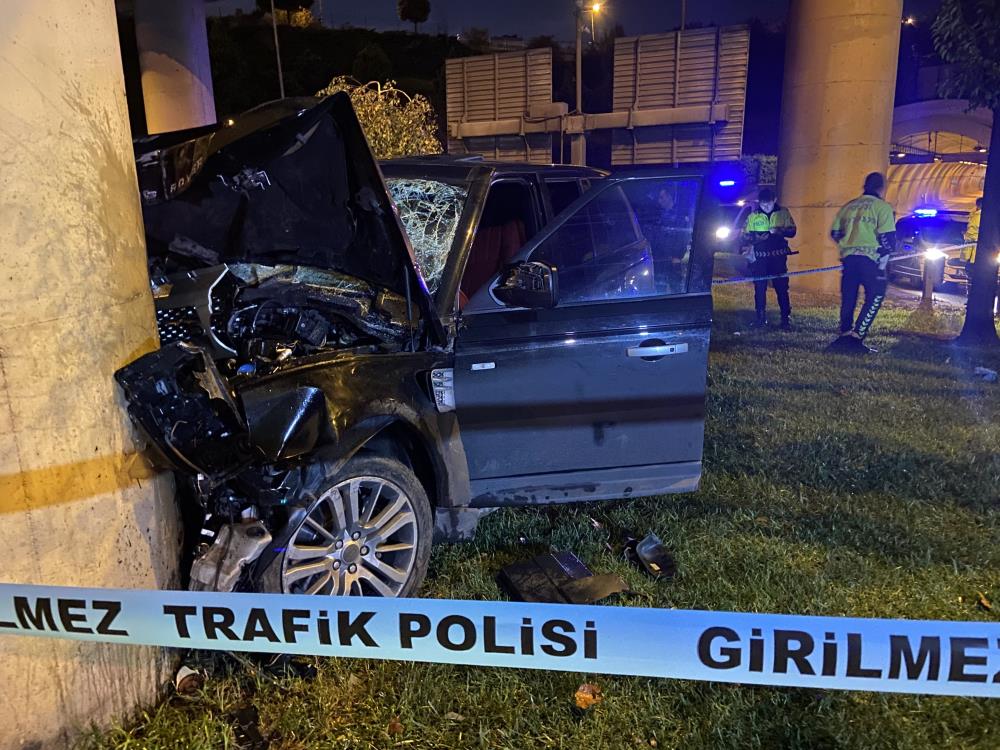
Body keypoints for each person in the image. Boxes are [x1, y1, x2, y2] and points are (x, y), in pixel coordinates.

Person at [828, 172, 896, 354]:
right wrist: (885, 251)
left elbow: (835, 233)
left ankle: (844, 334)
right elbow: (888, 239)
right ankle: (857, 337)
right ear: (881, 188)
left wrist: (849, 244)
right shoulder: (882, 207)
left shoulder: (849, 206)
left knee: (849, 297)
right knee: (876, 294)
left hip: (849, 259)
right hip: (870, 260)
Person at [742, 187, 797, 328]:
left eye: (768, 204)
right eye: (763, 204)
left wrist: (779, 231)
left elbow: (792, 231)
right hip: (760, 259)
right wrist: (756, 238)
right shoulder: (753, 216)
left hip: (778, 258)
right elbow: (744, 236)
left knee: (781, 288)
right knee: (760, 288)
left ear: (775, 200)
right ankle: (760, 319)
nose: (765, 207)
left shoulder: (783, 213)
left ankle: (785, 319)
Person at [963, 197, 982, 271]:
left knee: (973, 258)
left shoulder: (981, 215)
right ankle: (968, 269)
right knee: (967, 257)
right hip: (969, 237)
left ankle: (971, 270)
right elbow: (970, 224)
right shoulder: (973, 212)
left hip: (975, 239)